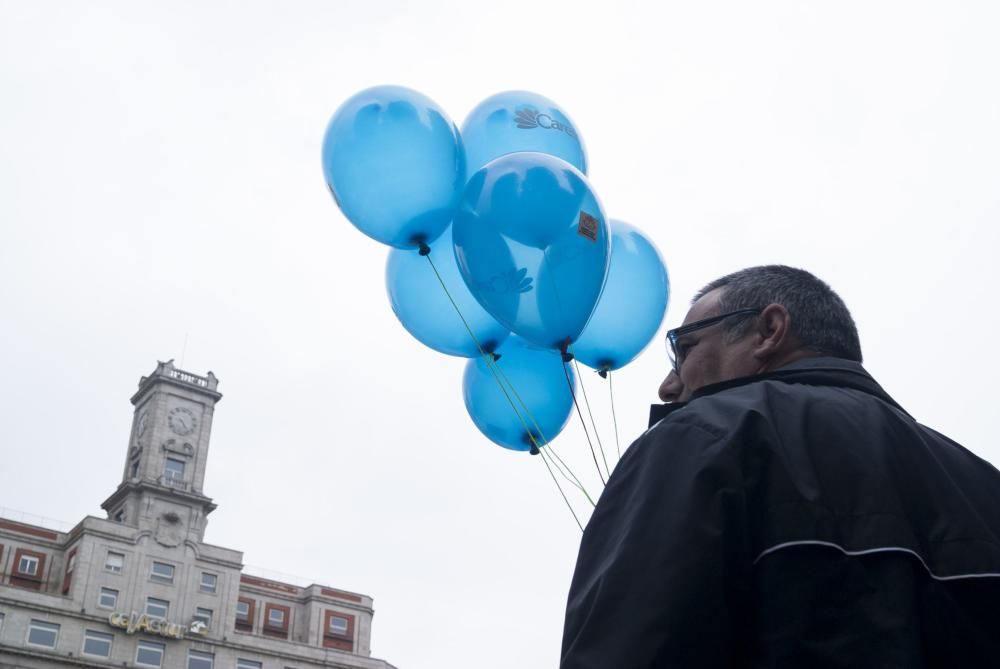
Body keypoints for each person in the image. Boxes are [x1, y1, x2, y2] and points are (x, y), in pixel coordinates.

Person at [561, 265, 1000, 668]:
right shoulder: (983, 484)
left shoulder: (707, 436)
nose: (669, 383)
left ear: (769, 331)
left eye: (686, 347)